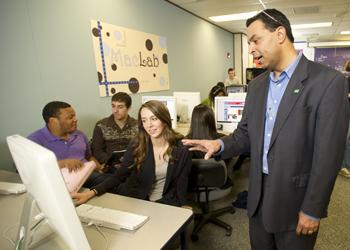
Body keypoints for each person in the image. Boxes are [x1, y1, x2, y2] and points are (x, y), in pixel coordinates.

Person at [183, 9, 349, 250]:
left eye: (255, 40)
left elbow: (328, 156)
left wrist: (313, 209)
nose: (250, 48)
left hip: (296, 202)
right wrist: (219, 144)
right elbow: (246, 134)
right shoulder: (257, 86)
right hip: (258, 199)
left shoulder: (328, 82)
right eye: (249, 42)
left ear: (280, 34)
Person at [72, 100, 192, 207]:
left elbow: (181, 181)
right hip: (136, 199)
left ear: (165, 120)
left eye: (154, 118)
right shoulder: (137, 144)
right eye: (144, 120)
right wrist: (91, 193)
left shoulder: (181, 147)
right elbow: (119, 175)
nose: (149, 125)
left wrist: (184, 204)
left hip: (165, 202)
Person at [28, 101, 108, 188]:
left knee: (117, 180)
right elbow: (28, 169)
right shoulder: (34, 140)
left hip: (88, 176)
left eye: (74, 115)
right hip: (59, 183)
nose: (75, 119)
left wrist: (99, 167)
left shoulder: (79, 134)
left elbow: (89, 157)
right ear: (53, 121)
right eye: (70, 117)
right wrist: (61, 164)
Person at [91, 92, 138, 167]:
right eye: (113, 106)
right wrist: (112, 163)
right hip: (110, 167)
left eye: (120, 107)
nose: (115, 110)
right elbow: (97, 151)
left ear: (128, 108)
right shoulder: (101, 125)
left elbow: (142, 148)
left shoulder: (137, 125)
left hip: (132, 165)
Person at [339, 59, 350, 177]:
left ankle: (347, 164)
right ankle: (342, 166)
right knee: (345, 140)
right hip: (347, 112)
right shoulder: (346, 80)